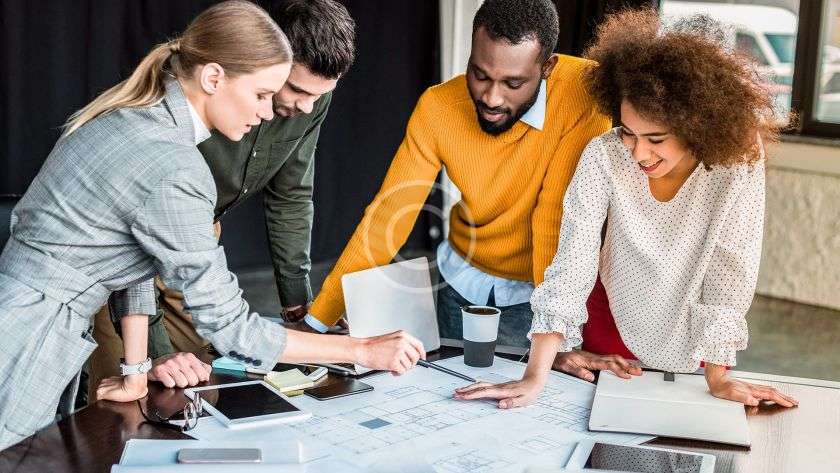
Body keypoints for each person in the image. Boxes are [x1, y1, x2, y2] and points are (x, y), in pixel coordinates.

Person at [0, 0, 423, 449]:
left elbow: (132, 258)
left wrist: (136, 372)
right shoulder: (175, 164)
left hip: (29, 320)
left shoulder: (138, 117)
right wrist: (362, 350)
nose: (267, 113)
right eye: (260, 95)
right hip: (28, 339)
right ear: (214, 78)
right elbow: (231, 328)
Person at [454, 8, 799, 409]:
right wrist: (535, 376)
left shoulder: (737, 161)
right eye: (629, 132)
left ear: (698, 126)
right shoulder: (605, 154)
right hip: (610, 317)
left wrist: (718, 378)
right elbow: (572, 263)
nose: (638, 152)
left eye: (656, 139)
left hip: (689, 328)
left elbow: (730, 269)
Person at [301, 0, 611, 348]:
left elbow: (554, 219)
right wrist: (319, 321)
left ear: (547, 67)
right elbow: (387, 218)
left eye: (513, 83)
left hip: (539, 297)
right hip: (461, 282)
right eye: (480, 75)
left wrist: (554, 337)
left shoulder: (586, 91)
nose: (492, 98)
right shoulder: (438, 108)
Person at [87, 0, 357, 397]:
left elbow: (291, 194)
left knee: (204, 383)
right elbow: (135, 251)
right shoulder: (176, 109)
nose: (306, 107)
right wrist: (154, 357)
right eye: (296, 89)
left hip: (198, 242)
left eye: (320, 95)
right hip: (122, 249)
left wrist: (298, 306)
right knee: (132, 395)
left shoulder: (309, 101)